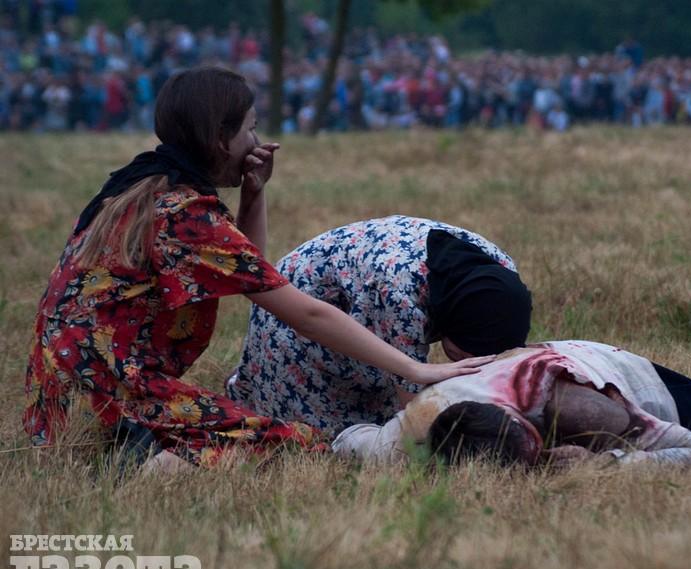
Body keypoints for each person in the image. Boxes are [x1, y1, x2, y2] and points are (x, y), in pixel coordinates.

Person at [23, 67, 492, 470]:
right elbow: (305, 313)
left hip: (64, 389)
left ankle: (130, 447)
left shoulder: (143, 186)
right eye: (249, 127)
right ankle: (144, 462)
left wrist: (253, 194)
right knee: (293, 444)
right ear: (218, 137)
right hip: (114, 390)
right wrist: (415, 369)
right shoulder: (184, 215)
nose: (255, 139)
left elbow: (251, 277)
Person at [228, 215, 532, 434]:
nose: (472, 365)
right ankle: (246, 387)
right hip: (298, 309)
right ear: (451, 325)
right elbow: (412, 414)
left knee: (380, 401)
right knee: (319, 436)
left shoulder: (500, 271)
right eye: (467, 356)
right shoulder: (401, 294)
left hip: (368, 294)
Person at [333, 341, 691, 467]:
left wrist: (606, 464)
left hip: (605, 368)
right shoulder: (404, 439)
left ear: (526, 422)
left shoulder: (585, 410)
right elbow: (346, 438)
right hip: (518, 368)